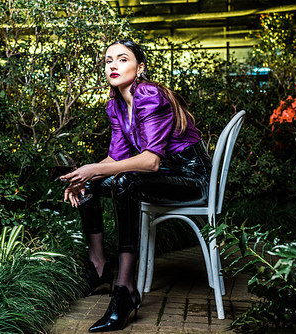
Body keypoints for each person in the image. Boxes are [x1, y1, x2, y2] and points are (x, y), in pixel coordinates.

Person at [61, 39, 211, 333]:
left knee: (125, 180)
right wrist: (84, 175)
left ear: (139, 67)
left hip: (190, 178)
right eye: (108, 60)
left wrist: (95, 170)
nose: (113, 65)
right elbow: (115, 157)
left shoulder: (149, 94)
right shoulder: (115, 105)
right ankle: (100, 267)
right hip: (163, 174)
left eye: (122, 59)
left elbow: (150, 162)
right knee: (90, 185)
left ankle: (125, 290)